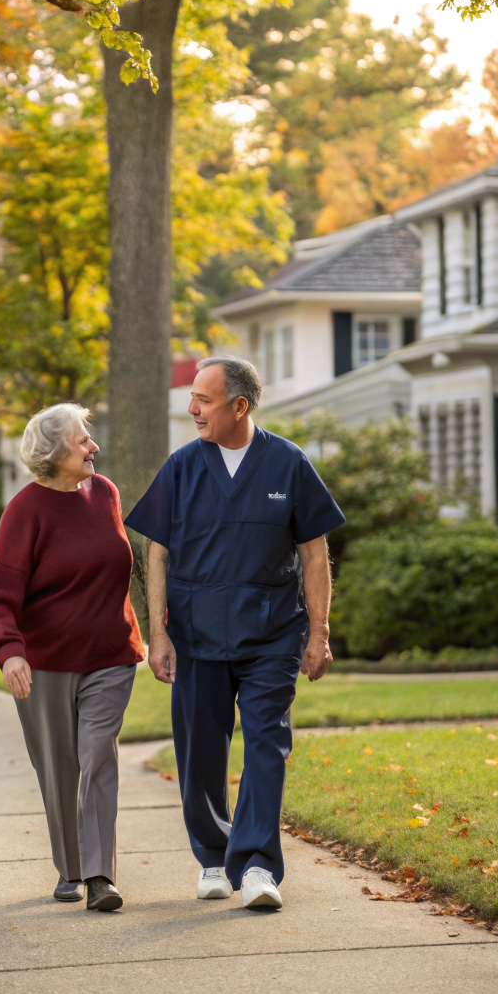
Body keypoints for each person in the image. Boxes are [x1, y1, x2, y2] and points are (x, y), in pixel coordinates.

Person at [124, 355, 344, 910]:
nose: (193, 409)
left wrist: (318, 633)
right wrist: (159, 634)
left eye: (204, 400)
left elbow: (314, 553)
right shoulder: (182, 466)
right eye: (193, 398)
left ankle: (259, 866)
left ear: (239, 406)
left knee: (268, 741)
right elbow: (156, 553)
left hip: (273, 634)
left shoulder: (288, 463)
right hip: (196, 636)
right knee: (200, 751)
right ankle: (214, 857)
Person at [0, 403, 144, 912]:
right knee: (59, 767)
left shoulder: (106, 494)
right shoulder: (25, 510)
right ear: (54, 453)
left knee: (97, 755)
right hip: (46, 662)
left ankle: (99, 876)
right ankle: (70, 868)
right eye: (82, 440)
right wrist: (10, 652)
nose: (94, 447)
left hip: (110, 654)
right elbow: (0, 596)